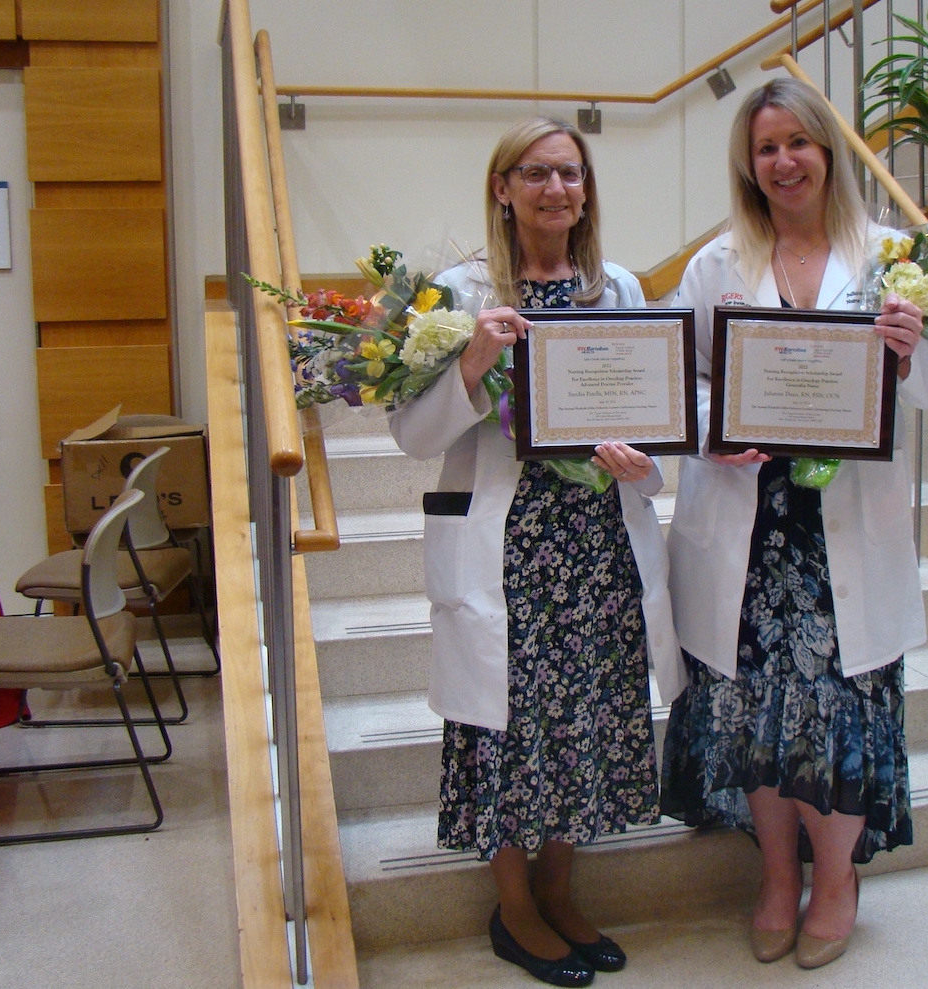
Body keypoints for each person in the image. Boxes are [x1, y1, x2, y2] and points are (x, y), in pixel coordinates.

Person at [659, 78, 928, 970]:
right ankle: (774, 875)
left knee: (840, 703)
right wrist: (718, 430)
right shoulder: (717, 263)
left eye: (798, 143)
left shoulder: (893, 260)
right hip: (749, 520)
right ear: (748, 167)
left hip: (843, 527)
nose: (783, 162)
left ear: (828, 150)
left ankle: (836, 883)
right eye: (765, 149)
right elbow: (689, 379)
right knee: (752, 704)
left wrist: (914, 348)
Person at [389, 116, 682, 988]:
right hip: (508, 543)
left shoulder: (618, 286)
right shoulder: (455, 291)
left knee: (584, 715)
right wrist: (473, 361)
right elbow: (411, 432)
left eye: (571, 173)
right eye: (538, 173)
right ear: (503, 188)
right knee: (508, 728)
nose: (557, 189)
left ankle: (559, 890)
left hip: (595, 544)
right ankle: (515, 908)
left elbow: (652, 407)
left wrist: (642, 460)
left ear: (586, 190)